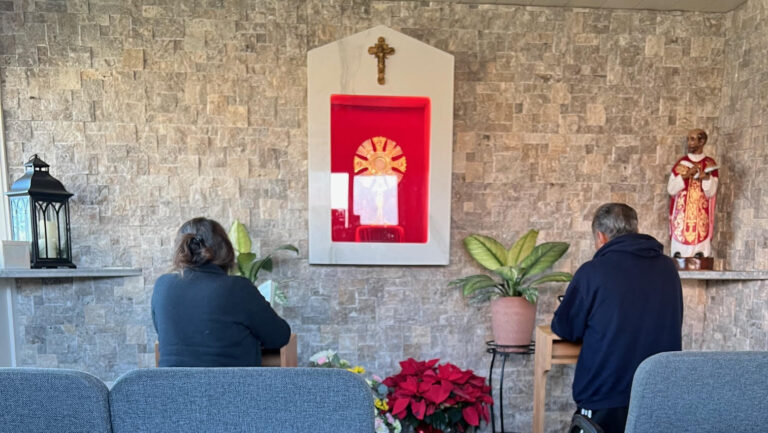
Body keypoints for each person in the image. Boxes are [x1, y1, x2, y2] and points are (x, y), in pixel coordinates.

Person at [551, 203, 683, 433]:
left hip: (604, 399)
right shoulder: (668, 268)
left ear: (600, 237)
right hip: (659, 396)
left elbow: (565, 328)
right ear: (635, 229)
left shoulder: (593, 272)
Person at [152, 217, 291, 367]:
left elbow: (163, 335)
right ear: (225, 250)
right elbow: (280, 337)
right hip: (232, 389)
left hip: (172, 389)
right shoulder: (237, 288)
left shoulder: (162, 286)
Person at [667, 129, 719, 258]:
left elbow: (711, 192)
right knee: (679, 254)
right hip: (682, 216)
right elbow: (671, 189)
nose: (689, 143)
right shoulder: (681, 163)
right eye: (688, 139)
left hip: (700, 215)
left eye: (692, 139)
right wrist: (685, 175)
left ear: (702, 142)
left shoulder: (710, 164)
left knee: (700, 254)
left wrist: (706, 179)